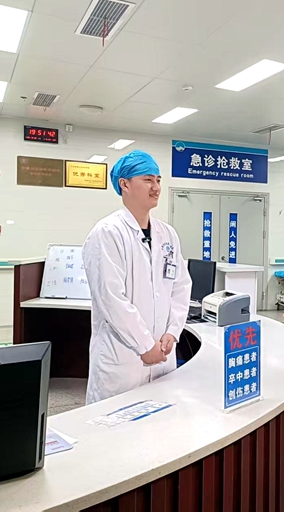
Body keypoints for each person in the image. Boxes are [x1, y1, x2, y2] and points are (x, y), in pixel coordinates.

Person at [82, 150, 192, 404]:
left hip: (162, 353)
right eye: (148, 180)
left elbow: (180, 286)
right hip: (123, 358)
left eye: (158, 180)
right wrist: (144, 345)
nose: (156, 187)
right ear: (125, 184)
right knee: (116, 420)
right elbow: (111, 299)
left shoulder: (167, 234)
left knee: (160, 419)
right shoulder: (108, 233)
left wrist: (173, 332)